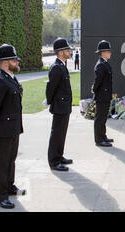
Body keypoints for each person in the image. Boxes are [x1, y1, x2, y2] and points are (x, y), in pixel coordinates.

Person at [0, 44, 25, 209]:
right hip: (3, 129)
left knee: (11, 160)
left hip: (13, 127)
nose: (17, 61)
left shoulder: (11, 77)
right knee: (2, 163)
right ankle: (0, 196)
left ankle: (9, 186)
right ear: (4, 62)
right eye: (14, 59)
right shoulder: (0, 82)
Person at [46, 38, 74, 171]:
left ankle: (59, 155)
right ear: (60, 52)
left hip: (64, 105)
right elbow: (51, 87)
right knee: (57, 133)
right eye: (67, 49)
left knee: (62, 132)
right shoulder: (57, 67)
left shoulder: (62, 65)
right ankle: (53, 160)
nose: (69, 51)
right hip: (59, 106)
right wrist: (49, 101)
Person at [92, 40, 115, 146]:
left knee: (103, 118)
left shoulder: (104, 63)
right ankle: (99, 139)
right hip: (101, 96)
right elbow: (98, 81)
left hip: (105, 95)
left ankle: (103, 136)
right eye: (108, 51)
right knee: (100, 118)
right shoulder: (101, 65)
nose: (110, 53)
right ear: (103, 52)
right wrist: (94, 90)